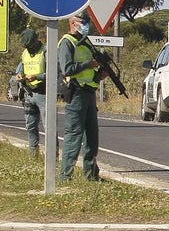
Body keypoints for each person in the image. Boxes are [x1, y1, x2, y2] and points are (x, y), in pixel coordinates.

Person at [58, 14, 103, 182]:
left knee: (92, 136)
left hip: (89, 92)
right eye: (83, 22)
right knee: (74, 134)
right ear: (72, 22)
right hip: (76, 93)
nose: (86, 26)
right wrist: (88, 64)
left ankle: (91, 175)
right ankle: (65, 176)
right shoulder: (67, 43)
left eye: (87, 23)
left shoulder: (86, 42)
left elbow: (90, 72)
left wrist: (99, 75)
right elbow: (67, 69)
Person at [15, 28, 49, 158]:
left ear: (36, 40)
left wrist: (38, 77)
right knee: (30, 125)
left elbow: (54, 73)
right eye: (26, 46)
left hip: (43, 93)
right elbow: (21, 67)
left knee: (48, 126)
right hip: (29, 93)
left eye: (30, 45)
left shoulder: (46, 52)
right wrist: (19, 75)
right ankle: (32, 156)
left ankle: (52, 157)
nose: (29, 48)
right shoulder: (25, 53)